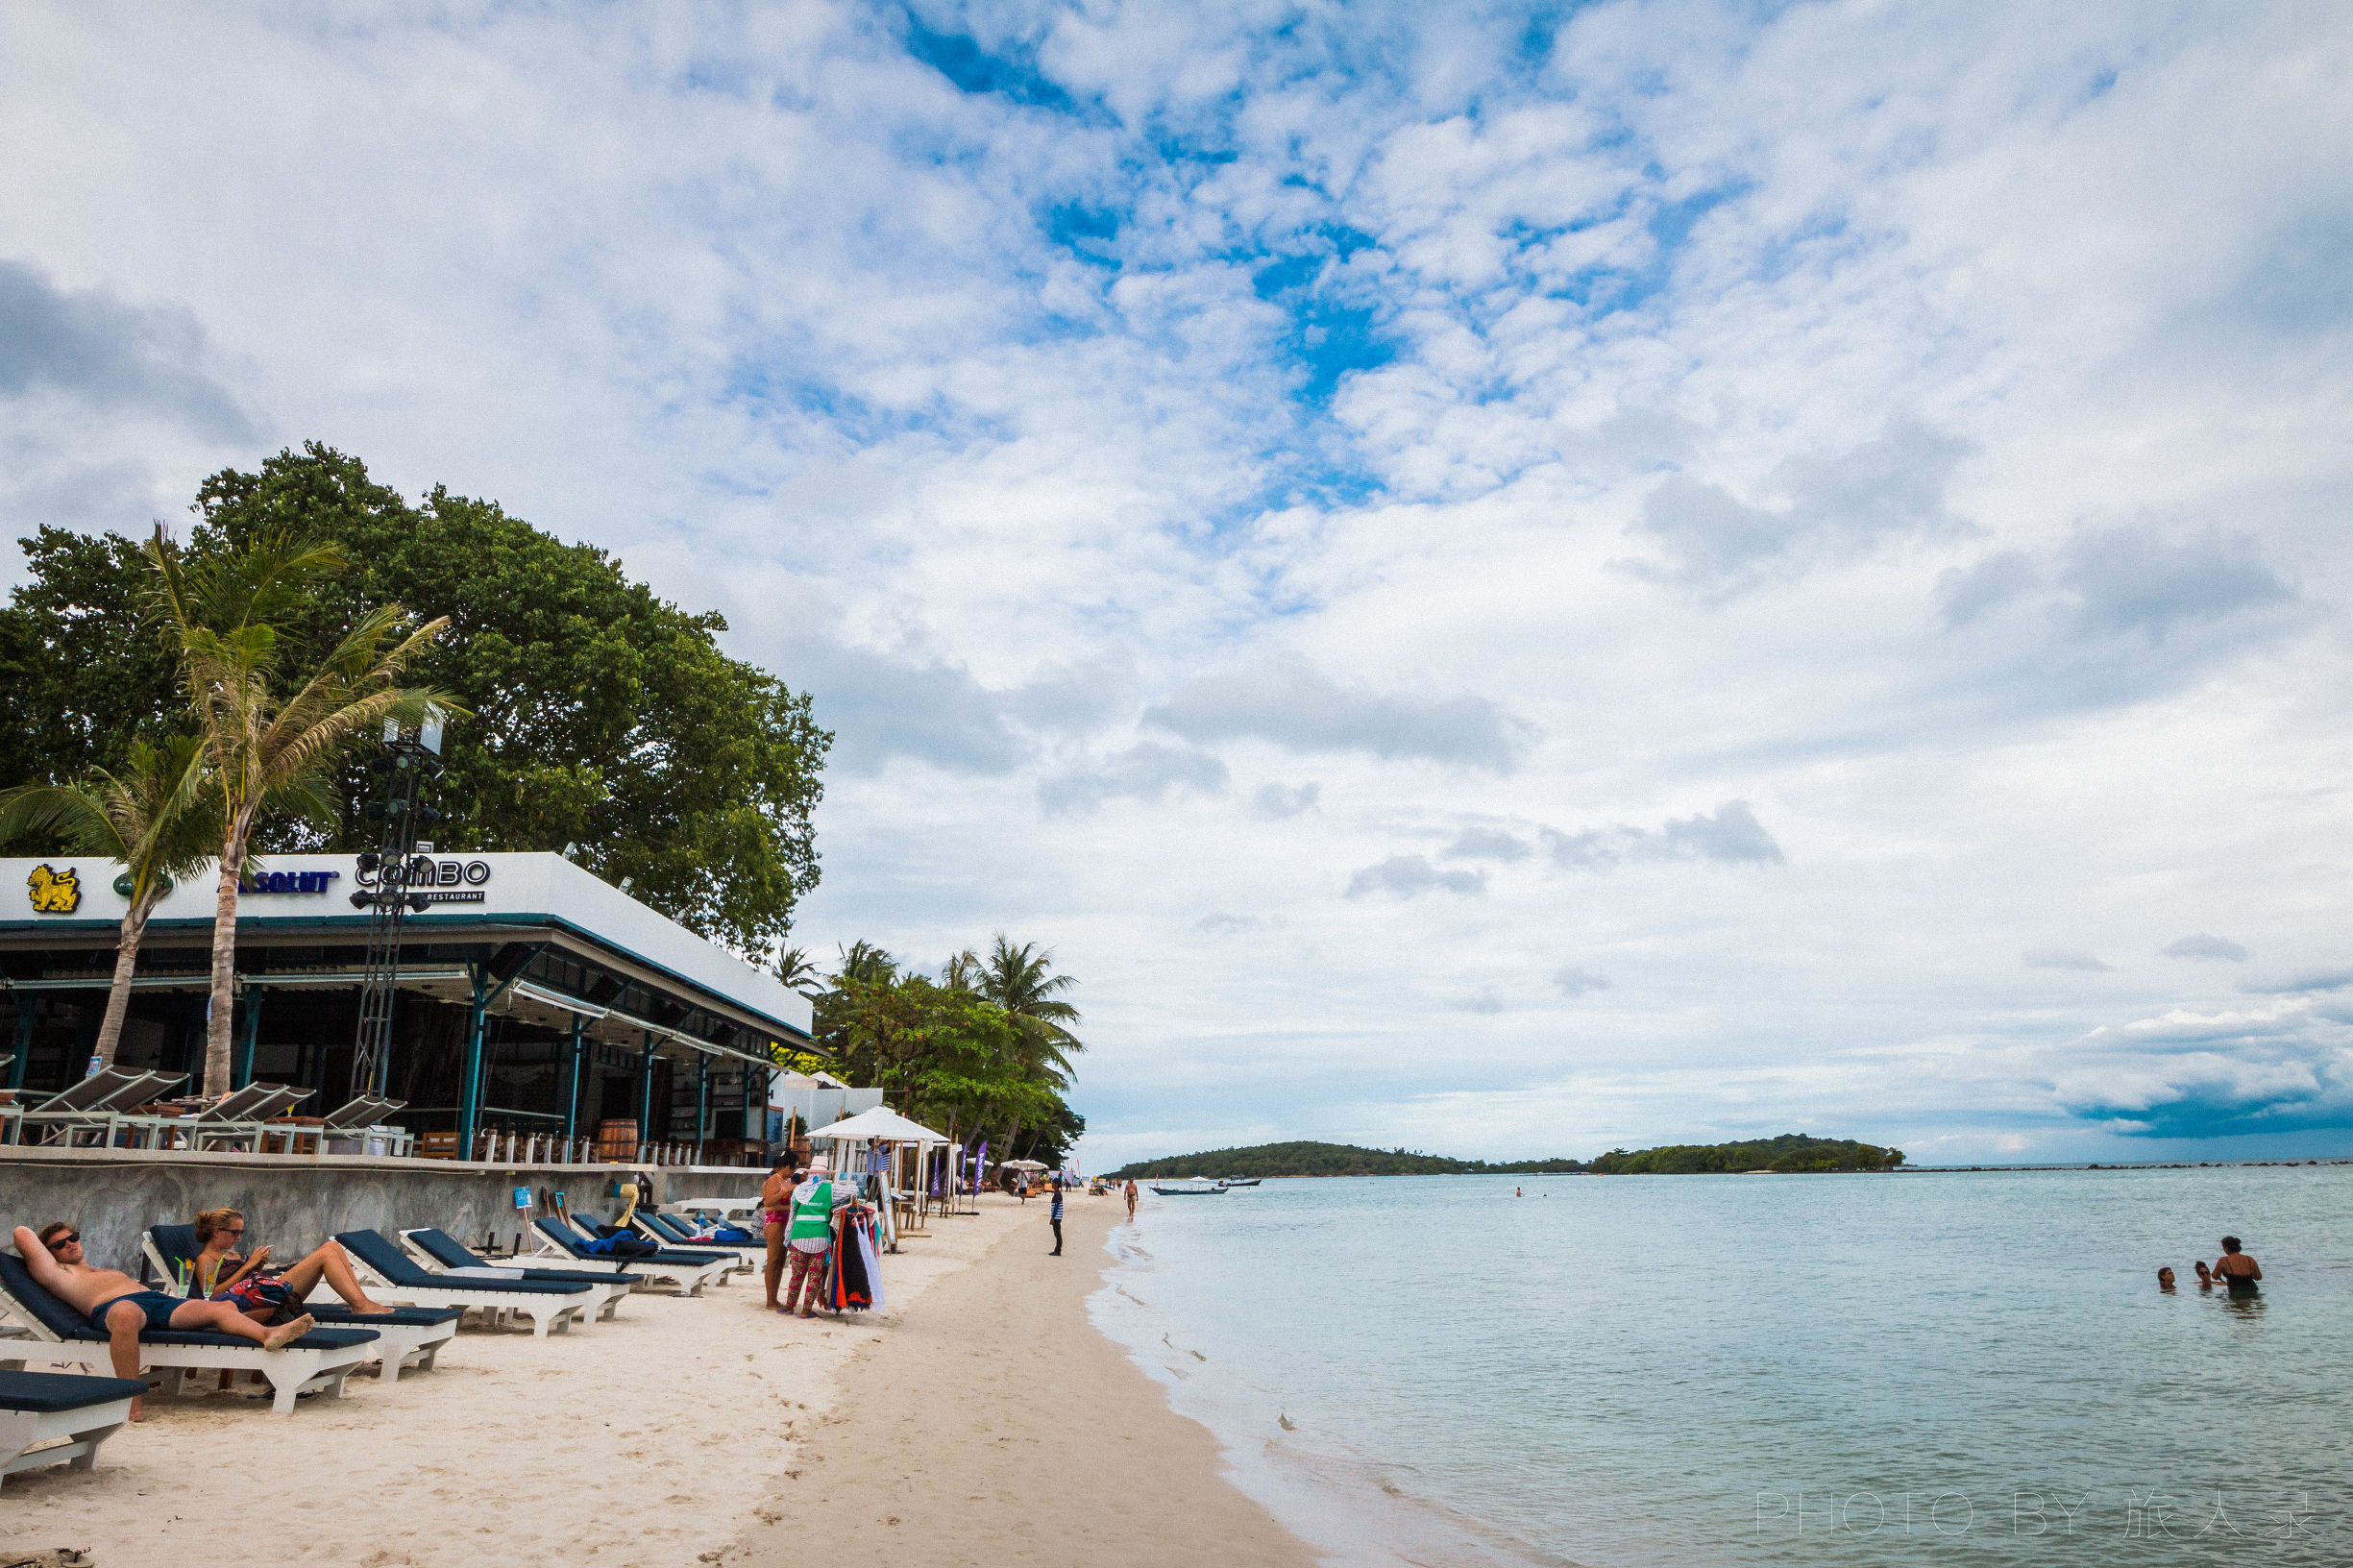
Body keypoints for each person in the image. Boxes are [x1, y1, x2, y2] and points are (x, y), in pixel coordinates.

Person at [13, 1222, 314, 1420]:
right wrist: (46, 1249)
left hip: (160, 1303)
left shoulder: (105, 1270)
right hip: (115, 1308)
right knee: (126, 1314)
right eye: (59, 1244)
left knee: (219, 1309)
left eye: (73, 1237)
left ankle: (266, 1335)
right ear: (49, 1254)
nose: (69, 1244)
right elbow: (21, 1233)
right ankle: (131, 1401)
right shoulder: (58, 1274)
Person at [188, 1207, 394, 1319]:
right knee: (326, 1255)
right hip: (255, 1303)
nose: (239, 1237)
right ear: (216, 1232)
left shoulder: (231, 1254)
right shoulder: (205, 1259)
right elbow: (213, 1295)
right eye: (235, 1232)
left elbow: (244, 1280)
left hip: (265, 1293)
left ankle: (362, 1302)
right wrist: (248, 1266)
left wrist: (256, 1268)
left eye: (241, 1232)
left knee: (333, 1247)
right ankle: (359, 1305)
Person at [781, 1155, 853, 1318]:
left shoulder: (798, 1190)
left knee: (796, 1275)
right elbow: (854, 1191)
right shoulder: (831, 1189)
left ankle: (789, 1307)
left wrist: (787, 1238)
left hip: (798, 1235)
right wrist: (835, 1204)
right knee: (815, 1276)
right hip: (819, 1238)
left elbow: (792, 1216)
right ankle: (806, 1310)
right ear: (825, 1173)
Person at [759, 1156, 800, 1311]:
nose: (794, 1171)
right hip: (774, 1221)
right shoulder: (774, 1180)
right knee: (773, 1260)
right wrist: (786, 1191)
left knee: (780, 1261)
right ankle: (770, 1299)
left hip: (785, 1222)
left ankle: (774, 1297)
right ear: (784, 1166)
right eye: (792, 1168)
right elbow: (768, 1202)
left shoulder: (787, 1182)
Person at [1048, 1177, 1065, 1257]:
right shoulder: (1057, 1193)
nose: (1052, 1184)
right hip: (1058, 1216)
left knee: (1057, 1233)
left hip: (1057, 1216)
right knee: (1057, 1233)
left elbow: (1056, 1207)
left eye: (1053, 1183)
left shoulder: (1057, 1194)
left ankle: (1058, 1250)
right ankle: (1057, 1249)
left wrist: (1052, 1218)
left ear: (1056, 1184)